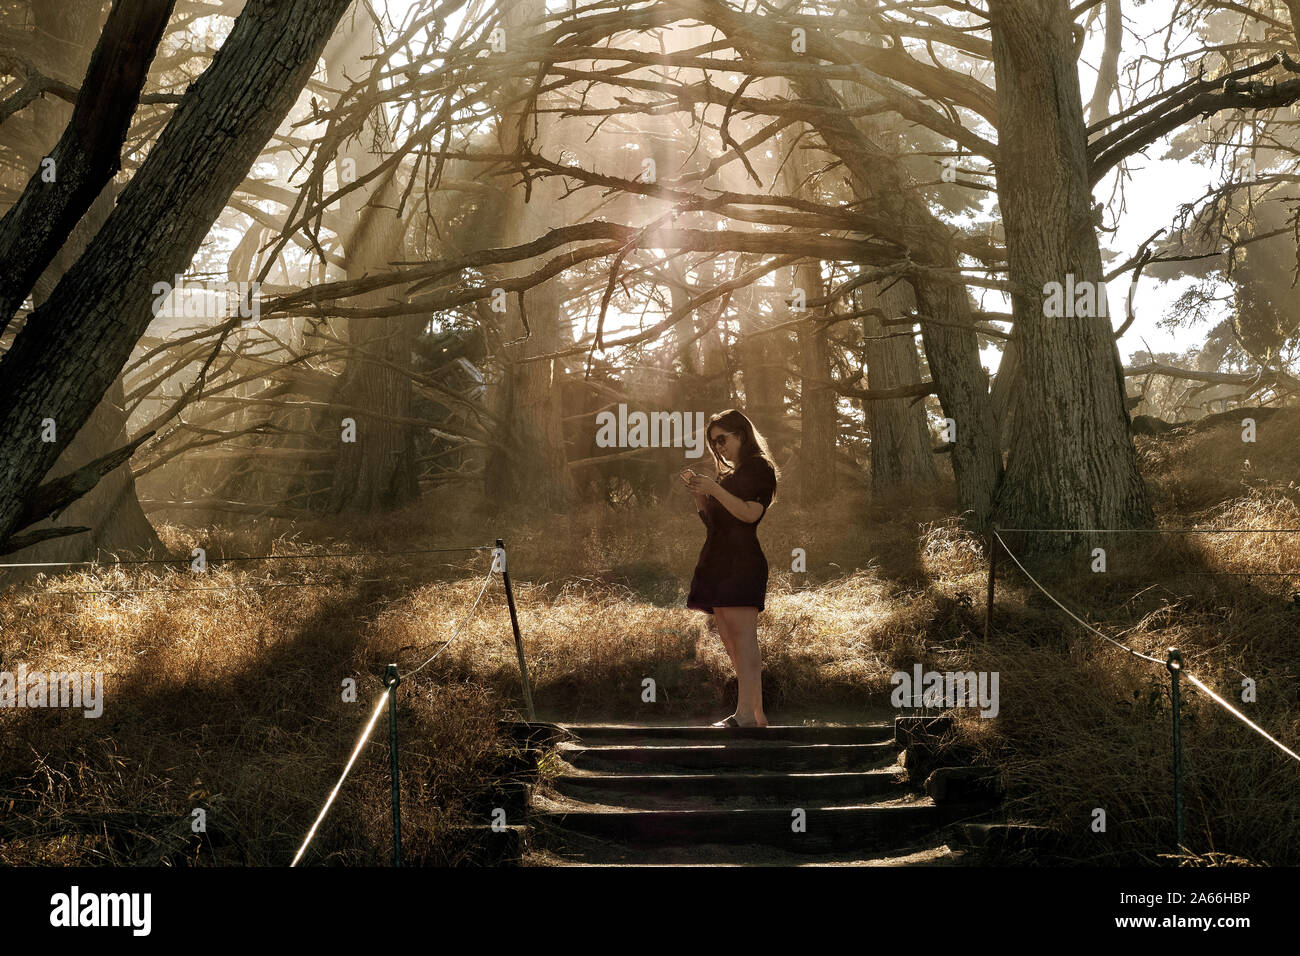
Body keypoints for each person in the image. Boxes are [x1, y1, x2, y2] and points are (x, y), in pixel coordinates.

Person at [680, 409, 780, 729]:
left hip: (741, 562)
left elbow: (750, 514)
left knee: (743, 638)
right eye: (713, 443)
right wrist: (701, 496)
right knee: (730, 639)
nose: (718, 447)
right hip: (718, 560)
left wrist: (715, 490)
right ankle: (755, 713)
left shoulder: (758, 467)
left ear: (742, 433)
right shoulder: (730, 476)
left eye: (722, 439)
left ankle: (745, 715)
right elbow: (714, 524)